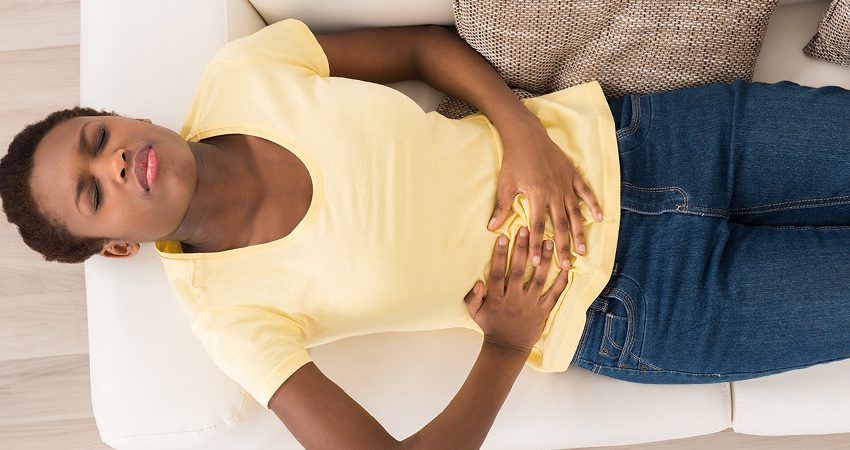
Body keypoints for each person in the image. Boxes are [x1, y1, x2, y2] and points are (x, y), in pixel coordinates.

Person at [2, 19, 850, 449]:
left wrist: (520, 131)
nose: (115, 162)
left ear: (122, 118)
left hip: (655, 143)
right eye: (93, 193)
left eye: (97, 138)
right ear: (117, 247)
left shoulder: (245, 73)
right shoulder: (233, 320)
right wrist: (505, 346)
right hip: (639, 306)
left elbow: (420, 45)